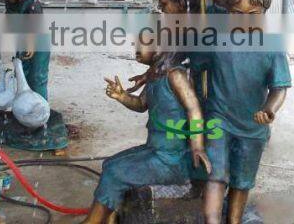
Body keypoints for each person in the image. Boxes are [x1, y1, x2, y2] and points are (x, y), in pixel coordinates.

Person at [191, 0, 292, 224]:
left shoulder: (271, 43)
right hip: (219, 118)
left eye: (253, 15)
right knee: (216, 172)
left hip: (252, 124)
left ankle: (234, 220)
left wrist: (269, 110)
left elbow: (280, 85)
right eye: (237, 13)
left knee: (242, 180)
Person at [81, 42, 211, 224]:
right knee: (110, 164)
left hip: (171, 159)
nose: (136, 46)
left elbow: (194, 109)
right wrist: (122, 96)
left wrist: (197, 147)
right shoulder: (155, 75)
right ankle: (110, 218)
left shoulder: (176, 75)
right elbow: (142, 104)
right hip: (155, 150)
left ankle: (92, 222)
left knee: (113, 173)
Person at [0, 0, 50, 100]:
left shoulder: (32, 3)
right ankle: (24, 106)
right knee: (21, 73)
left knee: (37, 76)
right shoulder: (10, 1)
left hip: (38, 41)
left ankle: (40, 109)